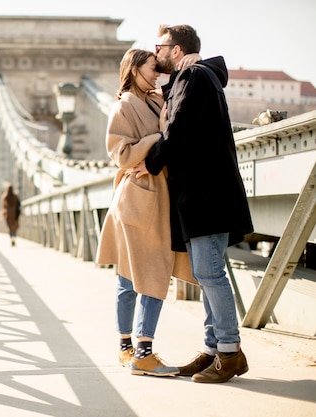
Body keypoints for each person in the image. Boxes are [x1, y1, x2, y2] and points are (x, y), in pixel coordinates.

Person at [137, 24, 254, 383]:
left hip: (206, 194)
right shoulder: (195, 76)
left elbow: (180, 127)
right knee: (207, 275)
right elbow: (184, 114)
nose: (155, 53)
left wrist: (150, 160)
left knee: (209, 274)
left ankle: (230, 352)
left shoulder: (193, 75)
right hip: (203, 195)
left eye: (160, 47)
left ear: (176, 49)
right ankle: (212, 349)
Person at [96, 48, 197, 377]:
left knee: (133, 276)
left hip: (155, 197)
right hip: (137, 199)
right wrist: (156, 139)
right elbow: (121, 153)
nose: (157, 74)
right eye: (152, 69)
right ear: (135, 69)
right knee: (149, 273)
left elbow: (179, 133)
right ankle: (141, 352)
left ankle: (128, 349)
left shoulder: (156, 100)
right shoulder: (123, 106)